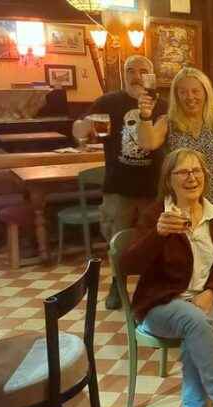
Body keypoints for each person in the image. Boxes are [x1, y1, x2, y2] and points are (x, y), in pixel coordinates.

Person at [119, 148, 213, 407]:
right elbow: (127, 265)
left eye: (196, 171)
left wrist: (210, 293)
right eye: (182, 172)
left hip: (204, 302)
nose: (191, 177)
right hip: (160, 304)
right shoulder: (156, 214)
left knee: (198, 334)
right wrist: (158, 234)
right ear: (168, 180)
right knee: (197, 323)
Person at [137, 67, 213, 321]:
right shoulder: (168, 122)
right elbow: (147, 143)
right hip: (184, 203)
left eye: (196, 91)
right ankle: (193, 305)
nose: (190, 97)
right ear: (176, 95)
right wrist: (144, 117)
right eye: (183, 92)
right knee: (194, 258)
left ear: (206, 93)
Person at [73, 54, 167, 310]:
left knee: (154, 239)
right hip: (118, 187)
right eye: (130, 70)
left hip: (154, 188)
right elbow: (79, 129)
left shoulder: (163, 105)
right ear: (123, 74)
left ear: (151, 75)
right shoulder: (107, 102)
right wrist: (82, 128)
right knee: (116, 239)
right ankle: (117, 283)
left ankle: (151, 283)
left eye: (142, 70)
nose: (136, 76)